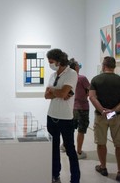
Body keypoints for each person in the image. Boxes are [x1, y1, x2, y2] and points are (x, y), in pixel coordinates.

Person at [89, 56, 120, 183]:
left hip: (101, 115)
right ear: (114, 66)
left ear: (103, 66)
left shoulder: (96, 79)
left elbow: (92, 97)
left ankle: (103, 167)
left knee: (101, 142)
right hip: (116, 116)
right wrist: (113, 111)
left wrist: (103, 110)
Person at [45, 48, 80, 183]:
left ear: (59, 61)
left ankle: (75, 179)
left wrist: (54, 91)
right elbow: (46, 96)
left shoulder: (71, 74)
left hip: (66, 118)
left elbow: (63, 94)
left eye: (51, 62)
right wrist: (58, 92)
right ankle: (55, 174)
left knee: (70, 150)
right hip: (51, 116)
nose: (50, 64)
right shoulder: (53, 75)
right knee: (53, 149)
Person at [69, 58, 90, 159]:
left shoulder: (68, 78)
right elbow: (89, 91)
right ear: (76, 67)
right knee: (81, 130)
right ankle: (79, 152)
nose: (79, 65)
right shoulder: (82, 78)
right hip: (82, 107)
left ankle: (66, 146)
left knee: (70, 129)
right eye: (77, 64)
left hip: (72, 107)